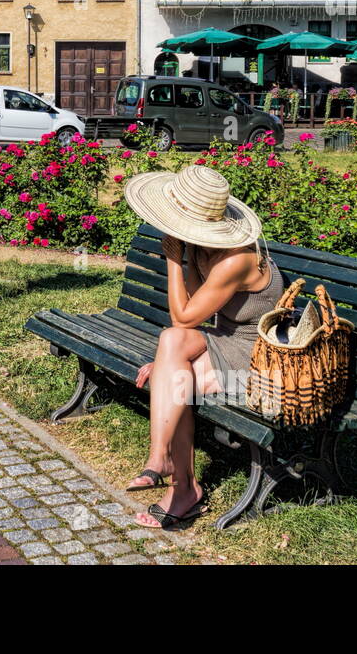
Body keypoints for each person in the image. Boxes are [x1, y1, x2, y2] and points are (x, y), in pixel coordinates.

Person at [120, 166, 284, 530]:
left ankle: (177, 483)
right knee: (170, 346)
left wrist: (171, 260)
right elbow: (188, 320)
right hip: (221, 336)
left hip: (256, 352)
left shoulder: (236, 259)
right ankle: (173, 474)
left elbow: (183, 316)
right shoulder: (200, 246)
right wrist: (167, 362)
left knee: (176, 381)